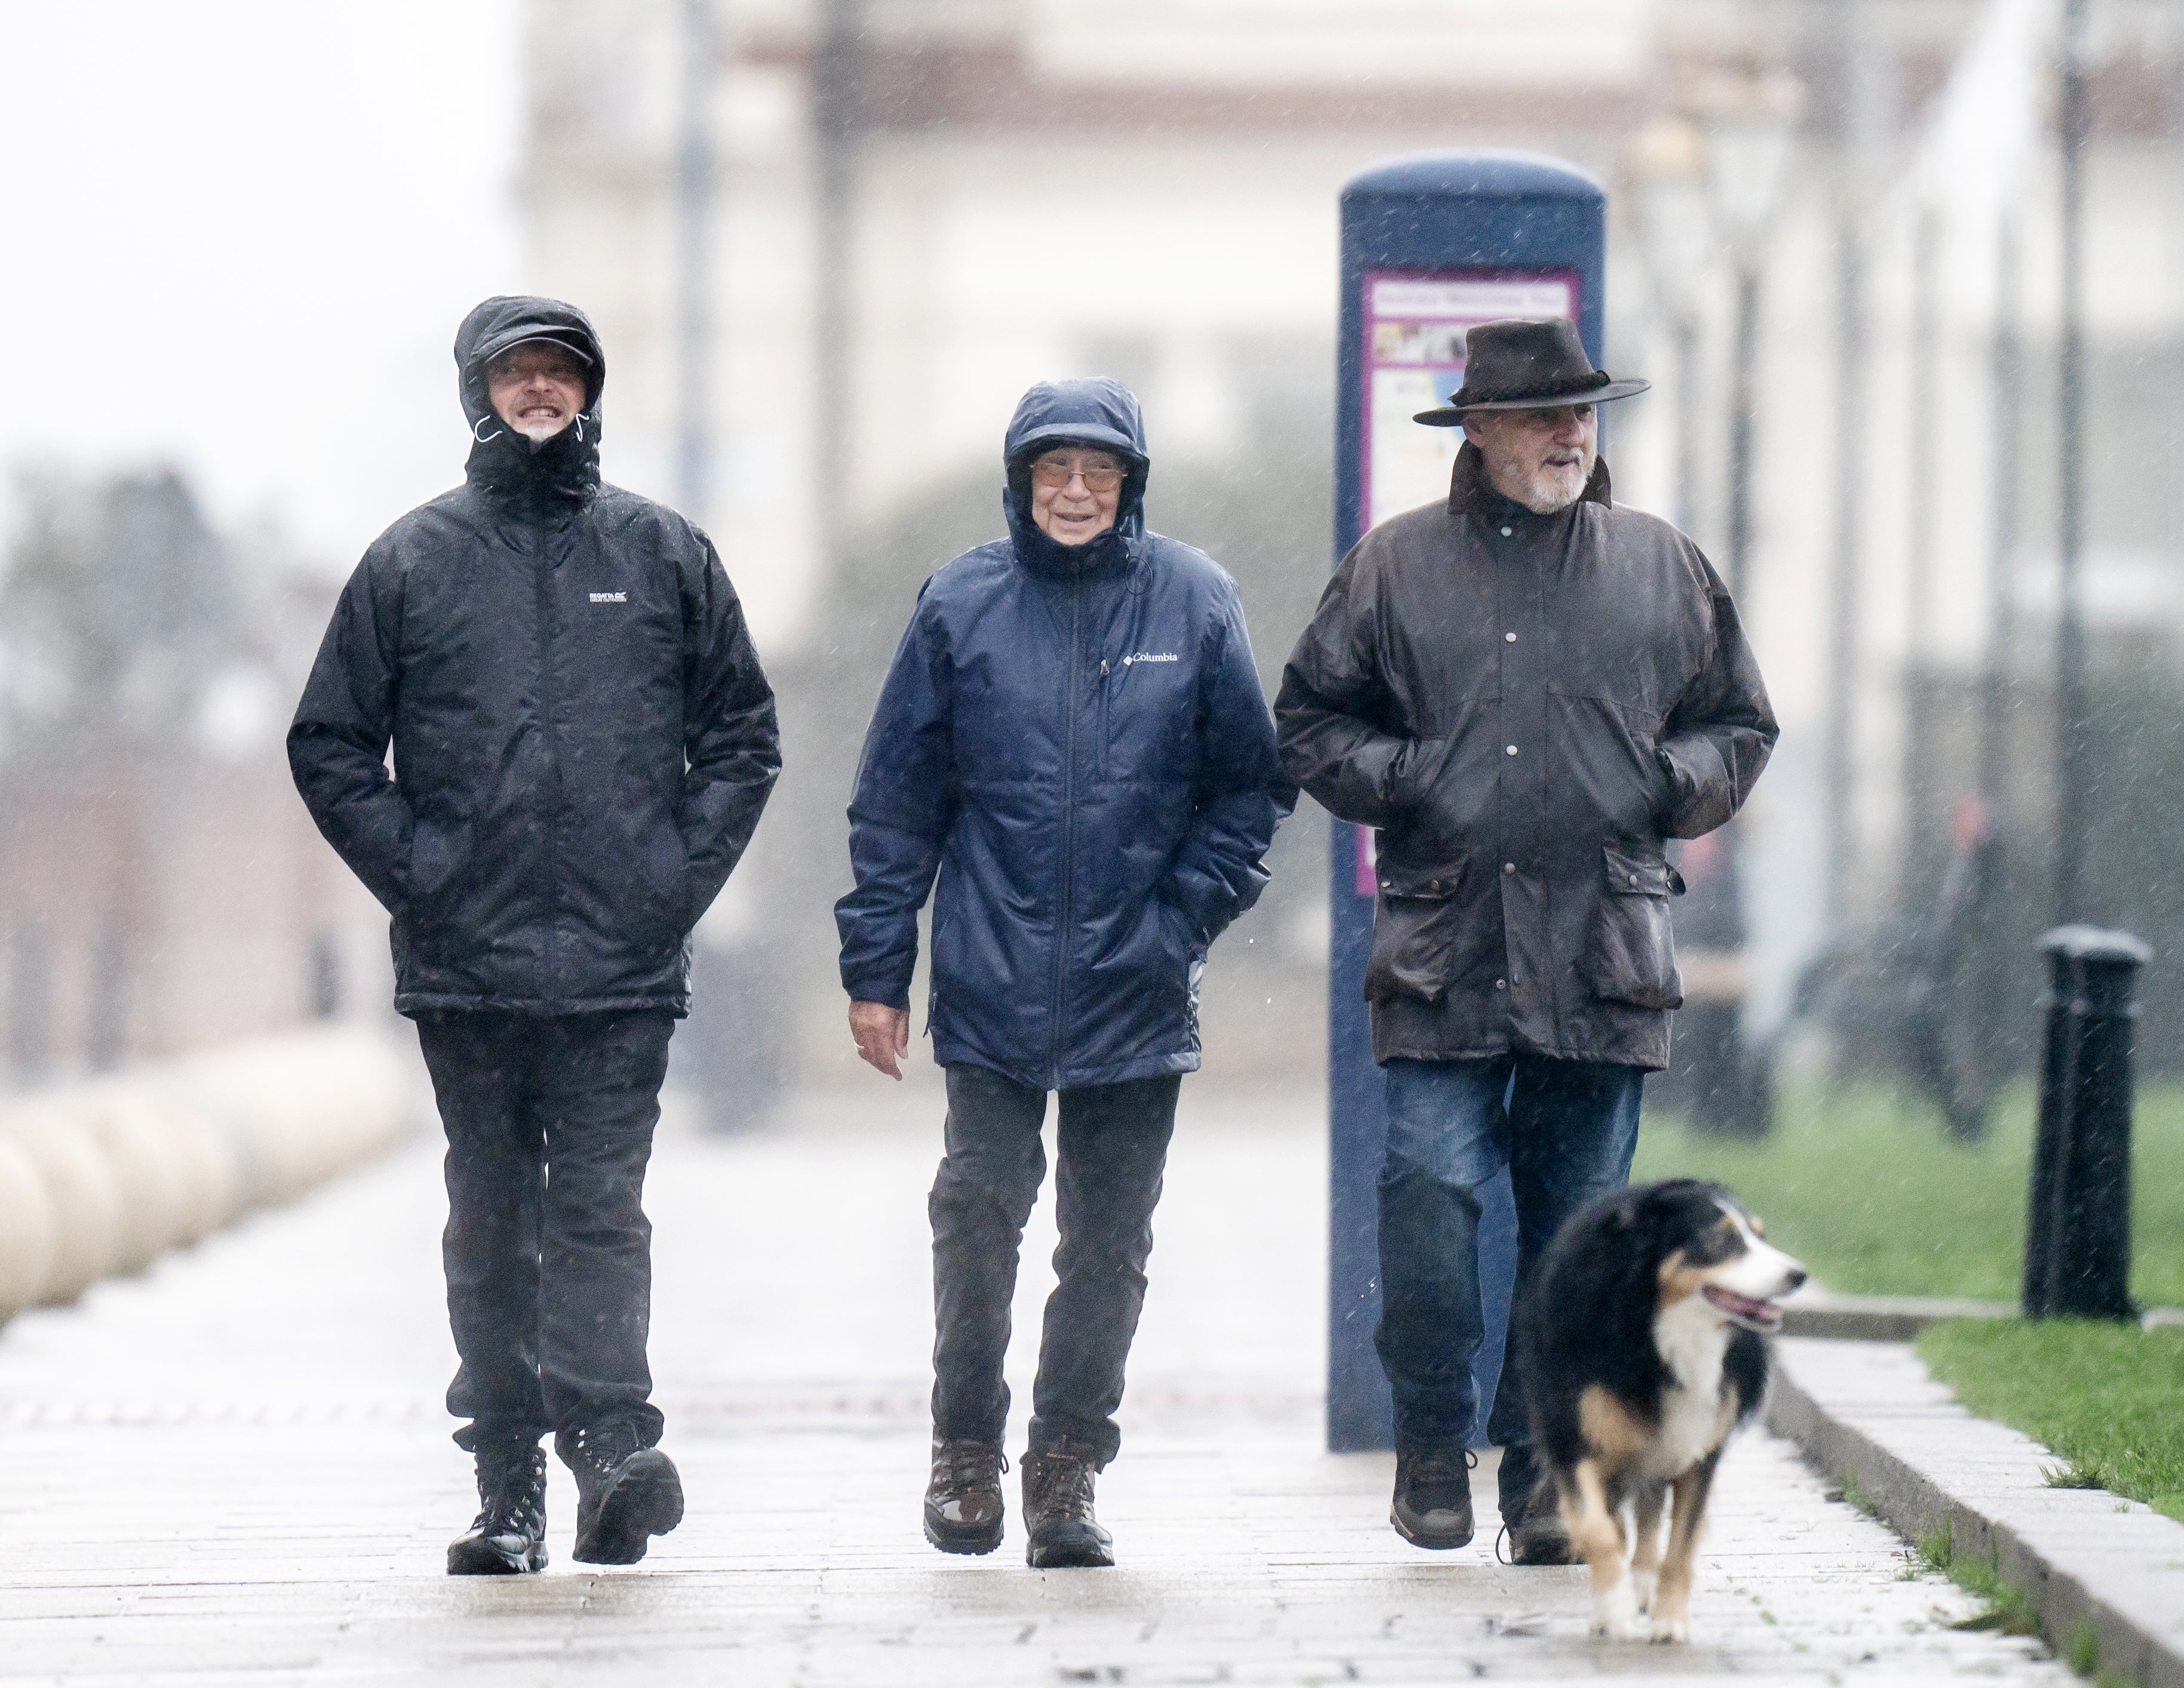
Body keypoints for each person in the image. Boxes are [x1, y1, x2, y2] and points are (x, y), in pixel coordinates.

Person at [288, 296, 780, 1575]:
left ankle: (614, 1450)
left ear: (591, 392)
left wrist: (671, 881)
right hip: (470, 970)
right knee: (492, 1217)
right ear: (479, 392)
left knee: (602, 1214)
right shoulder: (411, 563)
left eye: (561, 372)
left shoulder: (664, 552)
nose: (541, 391)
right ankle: (506, 1483)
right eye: (518, 374)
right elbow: (331, 744)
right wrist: (424, 874)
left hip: (621, 968)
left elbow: (741, 737)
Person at [1274, 318, 1777, 1561]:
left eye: (1583, 414)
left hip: (1604, 947)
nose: (1569, 434)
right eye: (1543, 416)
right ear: (1479, 434)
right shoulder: (1392, 568)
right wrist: (1409, 775)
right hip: (1444, 948)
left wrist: (1664, 783)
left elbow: (1739, 724)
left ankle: (1544, 1477)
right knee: (1430, 1196)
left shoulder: (1660, 564)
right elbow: (1308, 716)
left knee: (1577, 1239)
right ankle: (1431, 1444)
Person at [836, 378, 1289, 1569]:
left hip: (1136, 985)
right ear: (1021, 482)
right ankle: (962, 1452)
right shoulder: (960, 602)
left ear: (1129, 483)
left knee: (1107, 1242)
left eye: (1097, 472)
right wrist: (877, 968)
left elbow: (1249, 783)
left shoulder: (1192, 598)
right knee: (977, 1217)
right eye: (1053, 472)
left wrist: (1180, 918)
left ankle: (1065, 1469)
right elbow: (895, 804)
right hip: (988, 981)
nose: (1076, 492)